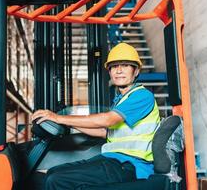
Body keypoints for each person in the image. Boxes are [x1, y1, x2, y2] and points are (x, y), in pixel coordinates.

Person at [32, 42, 161, 190]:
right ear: (110, 72)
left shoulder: (142, 96)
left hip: (131, 164)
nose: (119, 70)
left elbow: (108, 120)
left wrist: (58, 118)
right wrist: (69, 124)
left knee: (57, 180)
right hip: (114, 159)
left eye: (125, 65)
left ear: (136, 71)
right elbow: (104, 132)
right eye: (114, 66)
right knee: (53, 173)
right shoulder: (121, 100)